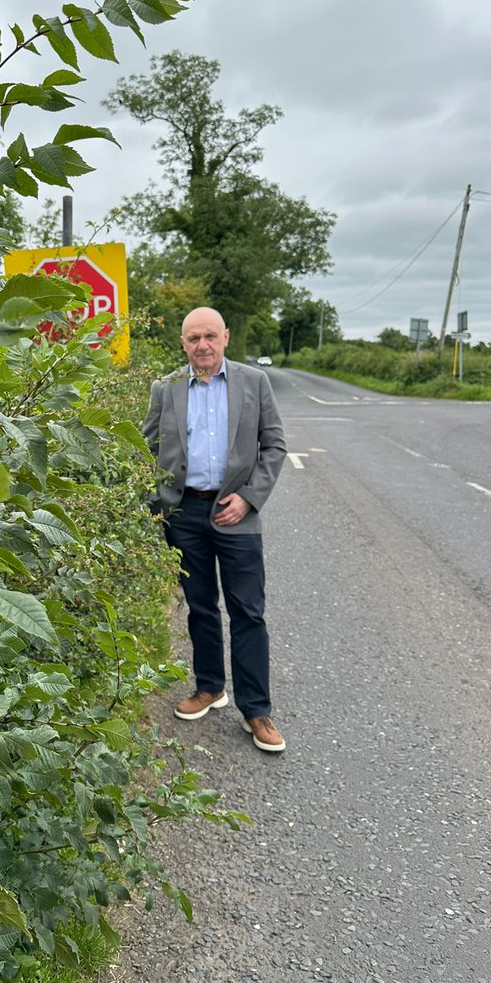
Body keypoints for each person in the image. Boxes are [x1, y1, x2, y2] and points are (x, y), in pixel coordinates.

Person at [142, 307, 288, 752]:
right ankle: (209, 687)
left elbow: (274, 444)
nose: (201, 345)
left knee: (248, 611)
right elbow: (145, 447)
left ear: (225, 337)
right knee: (201, 606)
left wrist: (249, 498)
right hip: (185, 515)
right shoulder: (165, 388)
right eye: (192, 338)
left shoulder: (253, 383)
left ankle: (256, 710)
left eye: (209, 336)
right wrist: (156, 507)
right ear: (182, 343)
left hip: (238, 516)